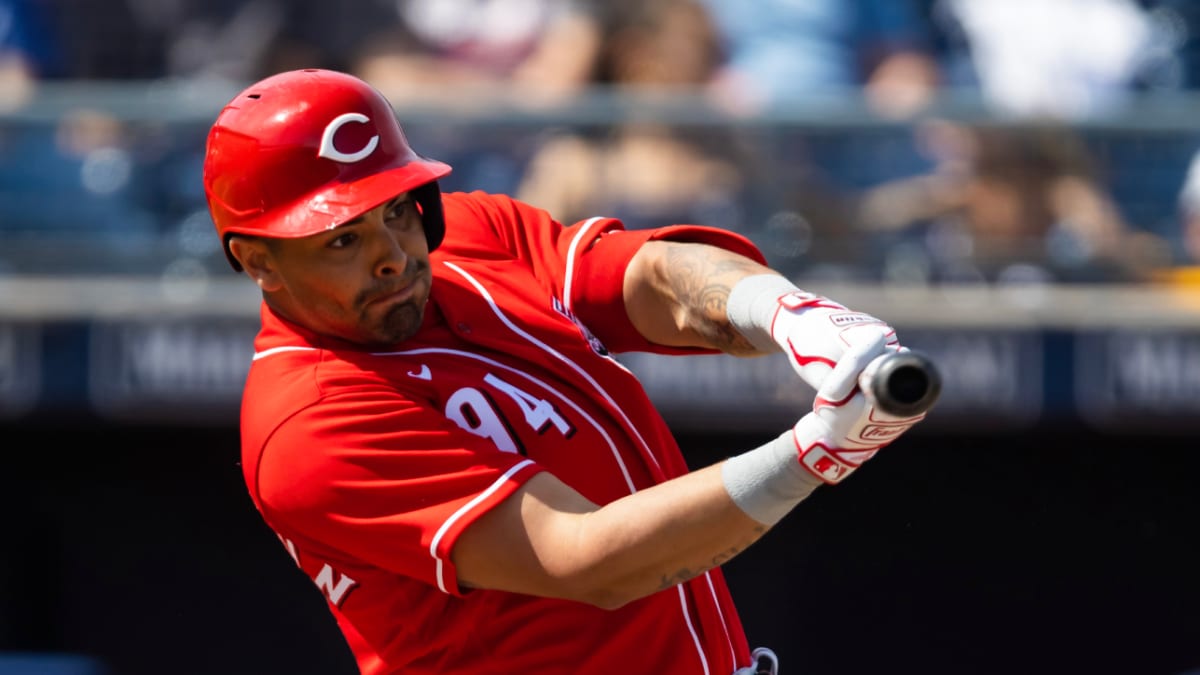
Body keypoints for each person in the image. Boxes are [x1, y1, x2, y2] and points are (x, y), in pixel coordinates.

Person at [201, 68, 926, 675]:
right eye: (343, 238)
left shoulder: (470, 235)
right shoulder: (308, 424)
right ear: (258, 258)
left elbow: (650, 280)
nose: (392, 251)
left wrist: (787, 312)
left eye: (395, 209)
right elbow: (588, 561)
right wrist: (812, 456)